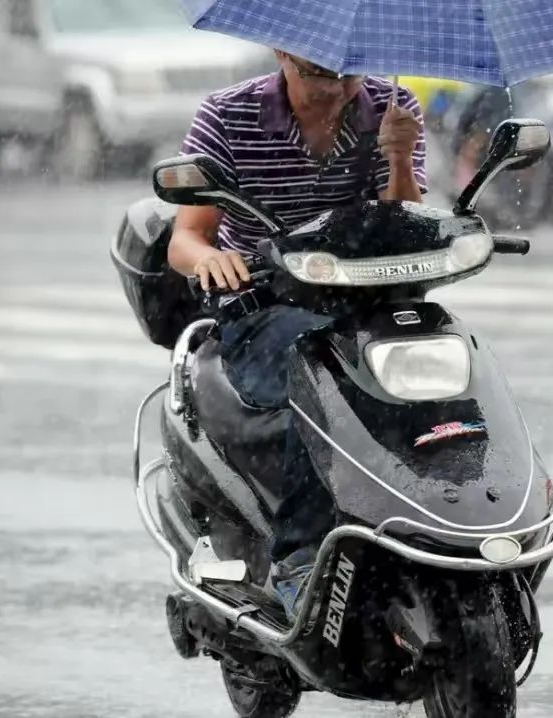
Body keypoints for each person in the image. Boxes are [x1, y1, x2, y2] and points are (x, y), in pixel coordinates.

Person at [167, 50, 426, 617]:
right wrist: (210, 259)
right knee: (325, 378)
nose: (337, 90)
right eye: (319, 76)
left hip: (367, 308)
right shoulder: (227, 114)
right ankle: (300, 556)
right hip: (266, 307)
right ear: (283, 52)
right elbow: (185, 239)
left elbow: (407, 225)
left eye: (349, 76)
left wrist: (399, 158)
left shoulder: (393, 106)